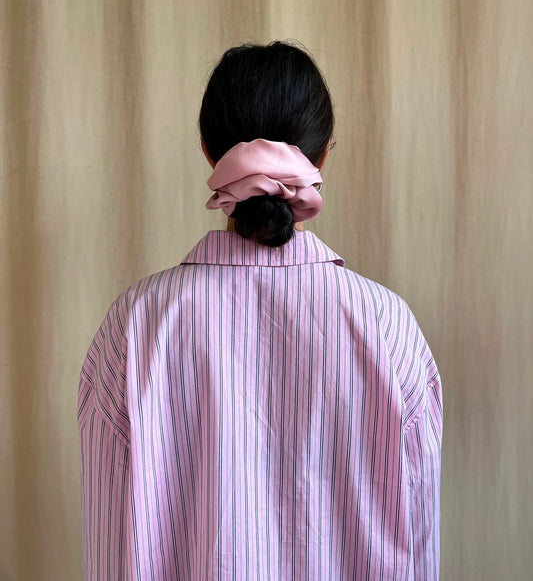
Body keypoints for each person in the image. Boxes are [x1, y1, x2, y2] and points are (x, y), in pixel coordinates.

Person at [78, 40, 443, 580]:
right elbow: (418, 535)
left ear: (209, 153)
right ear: (322, 156)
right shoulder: (389, 326)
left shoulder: (137, 325)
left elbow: (109, 542)